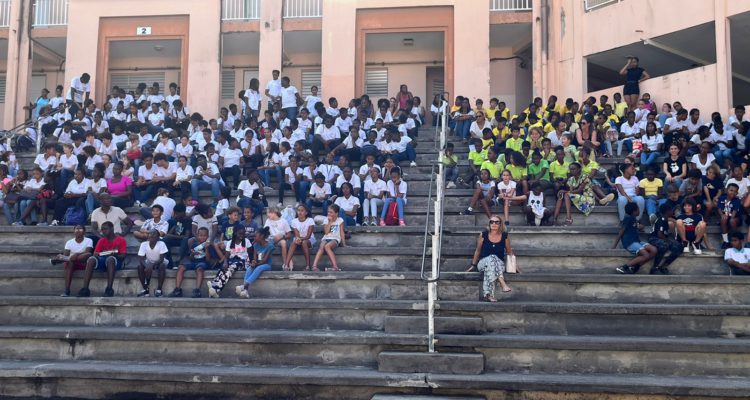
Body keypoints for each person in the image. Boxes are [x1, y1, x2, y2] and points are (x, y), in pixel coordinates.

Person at [467, 215, 513, 302]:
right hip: (483, 263)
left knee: (491, 266)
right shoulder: (483, 235)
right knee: (492, 257)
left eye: (496, 222)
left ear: (500, 224)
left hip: (499, 265)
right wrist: (473, 265)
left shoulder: (505, 236)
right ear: (489, 224)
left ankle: (488, 295)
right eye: (491, 222)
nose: (494, 224)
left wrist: (515, 267)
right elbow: (478, 250)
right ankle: (502, 283)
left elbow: (509, 252)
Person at [77, 221, 126, 297]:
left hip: (116, 261)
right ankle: (85, 289)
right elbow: (95, 253)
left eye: (105, 229)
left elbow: (123, 256)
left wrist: (115, 254)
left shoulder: (121, 240)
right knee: (91, 259)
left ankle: (109, 289)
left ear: (112, 229)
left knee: (110, 259)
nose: (103, 231)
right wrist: (99, 254)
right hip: (103, 260)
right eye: (102, 229)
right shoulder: (101, 240)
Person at [168, 227, 215, 298]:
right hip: (193, 262)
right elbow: (190, 258)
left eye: (204, 235)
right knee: (181, 267)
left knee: (199, 269)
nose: (202, 237)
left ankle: (197, 290)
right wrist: (192, 254)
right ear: (197, 236)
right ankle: (177, 289)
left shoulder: (209, 246)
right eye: (200, 235)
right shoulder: (194, 245)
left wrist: (206, 249)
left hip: (203, 263)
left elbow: (208, 260)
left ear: (207, 236)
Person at [613, 202, 658, 274]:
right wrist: (614, 246)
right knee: (646, 255)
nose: (639, 210)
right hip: (630, 242)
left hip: (637, 241)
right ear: (634, 211)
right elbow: (621, 231)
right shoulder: (627, 219)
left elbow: (635, 227)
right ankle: (624, 267)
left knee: (654, 250)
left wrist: (640, 227)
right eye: (638, 209)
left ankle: (635, 267)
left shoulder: (634, 219)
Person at [207, 228, 252, 298]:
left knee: (230, 268)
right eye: (240, 234)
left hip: (242, 262)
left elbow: (250, 254)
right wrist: (225, 263)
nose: (242, 235)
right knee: (223, 269)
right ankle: (214, 289)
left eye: (243, 234)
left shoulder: (246, 241)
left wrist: (250, 263)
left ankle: (215, 287)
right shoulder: (230, 242)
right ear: (235, 233)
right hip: (232, 260)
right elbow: (227, 255)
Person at [51, 225, 93, 297]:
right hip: (72, 263)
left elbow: (88, 252)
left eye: (80, 229)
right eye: (76, 229)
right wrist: (59, 258)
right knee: (69, 262)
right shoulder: (69, 242)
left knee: (88, 254)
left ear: (84, 232)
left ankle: (70, 258)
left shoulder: (89, 240)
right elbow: (65, 255)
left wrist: (76, 254)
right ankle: (67, 290)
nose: (78, 231)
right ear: (74, 231)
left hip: (84, 262)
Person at [236, 227, 275, 298]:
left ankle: (244, 286)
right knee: (249, 268)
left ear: (261, 236)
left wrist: (257, 264)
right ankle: (245, 291)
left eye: (255, 236)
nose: (254, 238)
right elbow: (255, 258)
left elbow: (264, 260)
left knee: (258, 268)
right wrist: (253, 262)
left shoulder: (270, 246)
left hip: (266, 265)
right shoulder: (256, 245)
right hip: (258, 264)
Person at [647, 204, 682, 275]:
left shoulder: (666, 220)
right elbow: (660, 235)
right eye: (671, 210)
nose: (672, 212)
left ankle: (663, 266)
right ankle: (654, 268)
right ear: (667, 211)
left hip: (662, 239)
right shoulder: (661, 220)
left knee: (679, 247)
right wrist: (668, 241)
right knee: (664, 246)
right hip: (654, 238)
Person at [312, 204, 345, 272]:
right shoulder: (326, 220)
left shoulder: (340, 220)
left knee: (327, 246)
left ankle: (335, 266)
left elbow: (342, 232)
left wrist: (344, 244)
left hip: (335, 239)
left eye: (331, 212)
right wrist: (330, 222)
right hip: (326, 238)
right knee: (321, 246)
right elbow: (326, 232)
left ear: (336, 213)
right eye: (328, 212)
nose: (329, 214)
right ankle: (314, 266)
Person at [136, 230, 169, 297]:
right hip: (149, 261)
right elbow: (141, 259)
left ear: (158, 237)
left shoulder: (161, 244)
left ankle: (159, 290)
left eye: (154, 234)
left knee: (162, 266)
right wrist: (147, 266)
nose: (152, 235)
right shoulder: (143, 244)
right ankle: (145, 289)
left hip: (160, 262)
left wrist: (151, 266)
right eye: (150, 233)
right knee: (140, 266)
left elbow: (161, 259)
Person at [285, 204, 315, 271]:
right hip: (300, 238)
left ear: (306, 213)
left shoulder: (310, 220)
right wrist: (298, 239)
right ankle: (286, 265)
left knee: (304, 242)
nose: (300, 212)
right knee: (294, 242)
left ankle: (308, 266)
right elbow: (297, 235)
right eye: (298, 210)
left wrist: (300, 239)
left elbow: (308, 236)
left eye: (302, 211)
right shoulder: (294, 221)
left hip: (309, 239)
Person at [718, 183, 741, 249]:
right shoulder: (722, 198)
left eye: (735, 191)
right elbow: (719, 209)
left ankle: (732, 239)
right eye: (731, 190)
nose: (733, 192)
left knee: (732, 221)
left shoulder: (737, 200)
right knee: (723, 218)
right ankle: (725, 241)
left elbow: (734, 213)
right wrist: (722, 215)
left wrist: (729, 218)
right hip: (725, 217)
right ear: (726, 190)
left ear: (737, 193)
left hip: (735, 218)